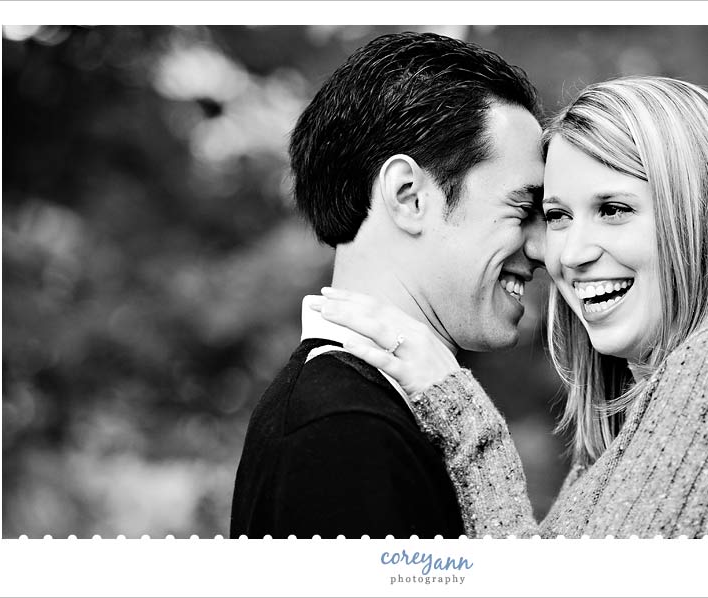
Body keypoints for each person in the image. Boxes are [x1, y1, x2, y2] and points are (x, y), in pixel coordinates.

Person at [314, 76, 708, 538]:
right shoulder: (628, 423)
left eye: (612, 210)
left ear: (699, 220)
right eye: (558, 216)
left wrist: (459, 411)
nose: (570, 254)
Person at [229, 32, 546, 539]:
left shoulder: (360, 414)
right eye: (523, 208)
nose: (544, 250)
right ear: (408, 196)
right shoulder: (342, 431)